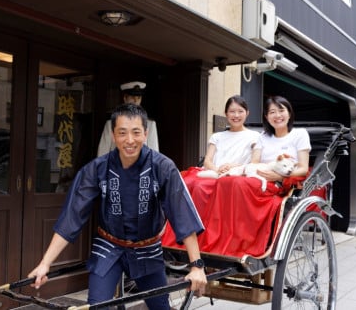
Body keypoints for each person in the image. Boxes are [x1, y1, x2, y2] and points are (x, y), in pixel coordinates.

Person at [28, 103, 207, 310]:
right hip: (108, 247)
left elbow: (181, 214)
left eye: (136, 132)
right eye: (122, 133)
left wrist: (197, 266)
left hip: (146, 248)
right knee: (97, 306)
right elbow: (72, 217)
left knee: (160, 307)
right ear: (113, 135)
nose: (129, 140)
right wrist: (45, 264)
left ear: (146, 133)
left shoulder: (163, 167)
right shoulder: (97, 169)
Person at [251, 95, 311, 182]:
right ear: (266, 117)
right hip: (262, 178)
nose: (278, 115)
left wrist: (280, 176)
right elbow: (254, 164)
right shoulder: (263, 136)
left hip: (285, 182)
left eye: (281, 110)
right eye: (272, 112)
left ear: (289, 114)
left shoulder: (300, 134)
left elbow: (303, 169)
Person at [202, 95, 260, 176]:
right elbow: (207, 161)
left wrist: (232, 167)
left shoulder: (255, 136)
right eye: (232, 111)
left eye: (240, 111)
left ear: (247, 113)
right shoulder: (216, 137)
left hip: (239, 177)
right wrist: (218, 170)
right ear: (226, 114)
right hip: (214, 175)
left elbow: (255, 163)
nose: (236, 115)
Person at [97, 81, 159, 156]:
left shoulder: (150, 125)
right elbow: (102, 155)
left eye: (138, 97)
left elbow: (154, 156)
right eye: (132, 97)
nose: (136, 101)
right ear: (125, 98)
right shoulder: (110, 125)